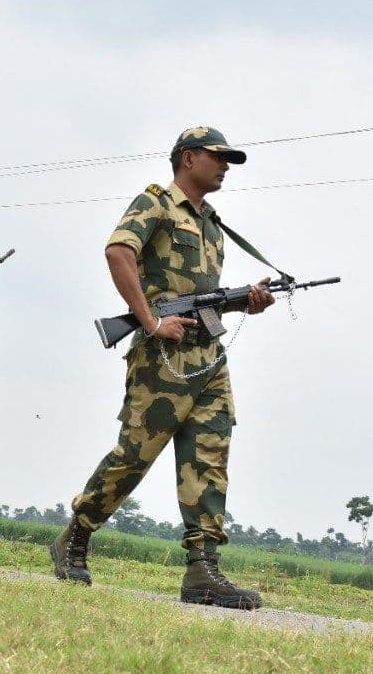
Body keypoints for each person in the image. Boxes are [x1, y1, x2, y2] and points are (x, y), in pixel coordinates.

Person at [51, 126, 275, 610]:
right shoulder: (154, 203)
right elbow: (118, 252)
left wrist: (243, 302)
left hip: (209, 357)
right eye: (218, 157)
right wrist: (151, 322)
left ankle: (203, 570)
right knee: (135, 455)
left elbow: (200, 298)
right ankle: (76, 536)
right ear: (188, 158)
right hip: (164, 358)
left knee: (209, 456)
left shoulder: (213, 225)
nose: (226, 166)